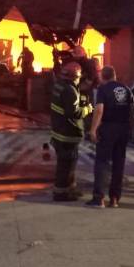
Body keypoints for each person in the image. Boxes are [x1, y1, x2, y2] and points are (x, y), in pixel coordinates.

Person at [85, 66, 134, 209]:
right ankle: (114, 199)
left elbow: (99, 110)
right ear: (114, 75)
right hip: (123, 129)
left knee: (102, 162)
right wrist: (130, 129)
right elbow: (132, 111)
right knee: (119, 164)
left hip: (108, 129)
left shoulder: (103, 89)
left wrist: (93, 130)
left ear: (103, 76)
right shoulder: (126, 89)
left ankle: (98, 198)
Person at [50, 61, 93, 201]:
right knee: (67, 166)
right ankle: (62, 193)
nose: (79, 80)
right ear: (75, 76)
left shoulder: (59, 85)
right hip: (68, 133)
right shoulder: (70, 90)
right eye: (78, 78)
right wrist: (87, 109)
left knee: (64, 165)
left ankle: (69, 190)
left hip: (59, 131)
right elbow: (73, 113)